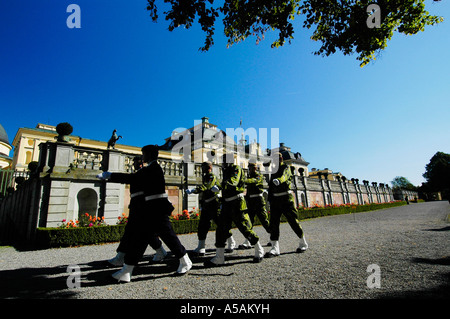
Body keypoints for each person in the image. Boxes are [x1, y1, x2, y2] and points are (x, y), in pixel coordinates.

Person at [97, 145, 192, 282]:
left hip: (157, 208)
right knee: (139, 239)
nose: (142, 157)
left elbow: (133, 178)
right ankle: (127, 270)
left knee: (169, 237)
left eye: (144, 154)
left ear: (149, 155)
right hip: (149, 209)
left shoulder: (153, 168)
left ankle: (185, 260)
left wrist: (110, 175)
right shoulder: (150, 169)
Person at [105, 156, 167, 267]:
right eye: (135, 163)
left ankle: (121, 257)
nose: (136, 165)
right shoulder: (140, 172)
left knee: (131, 231)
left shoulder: (144, 173)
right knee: (147, 231)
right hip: (137, 204)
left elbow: (130, 179)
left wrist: (111, 176)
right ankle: (160, 251)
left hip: (142, 205)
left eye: (139, 162)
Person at [204, 155, 264, 267]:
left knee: (245, 228)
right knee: (221, 229)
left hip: (237, 203)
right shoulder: (226, 170)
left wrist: (221, 186)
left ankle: (259, 249)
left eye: (224, 161)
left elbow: (234, 181)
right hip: (227, 203)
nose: (222, 163)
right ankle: (219, 257)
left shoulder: (236, 168)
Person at [185, 161, 235, 256]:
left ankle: (231, 242)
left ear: (208, 167)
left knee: (221, 224)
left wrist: (194, 190)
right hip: (207, 204)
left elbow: (207, 186)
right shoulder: (205, 176)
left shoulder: (211, 176)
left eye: (203, 167)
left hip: (214, 204)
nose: (201, 169)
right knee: (202, 225)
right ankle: (201, 247)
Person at [266, 152, 308, 258]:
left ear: (281, 158)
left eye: (277, 158)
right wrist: (269, 199)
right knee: (273, 223)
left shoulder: (286, 167)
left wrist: (279, 180)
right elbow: (270, 186)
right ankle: (275, 248)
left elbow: (285, 176)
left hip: (285, 198)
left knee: (293, 221)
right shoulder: (273, 169)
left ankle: (303, 242)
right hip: (275, 199)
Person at [239, 161, 271, 249]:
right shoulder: (249, 176)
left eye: (251, 168)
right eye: (249, 168)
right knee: (249, 222)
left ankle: (273, 237)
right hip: (250, 201)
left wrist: (243, 180)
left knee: (264, 220)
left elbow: (253, 181)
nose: (250, 170)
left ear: (255, 168)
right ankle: (247, 241)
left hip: (258, 201)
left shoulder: (259, 176)